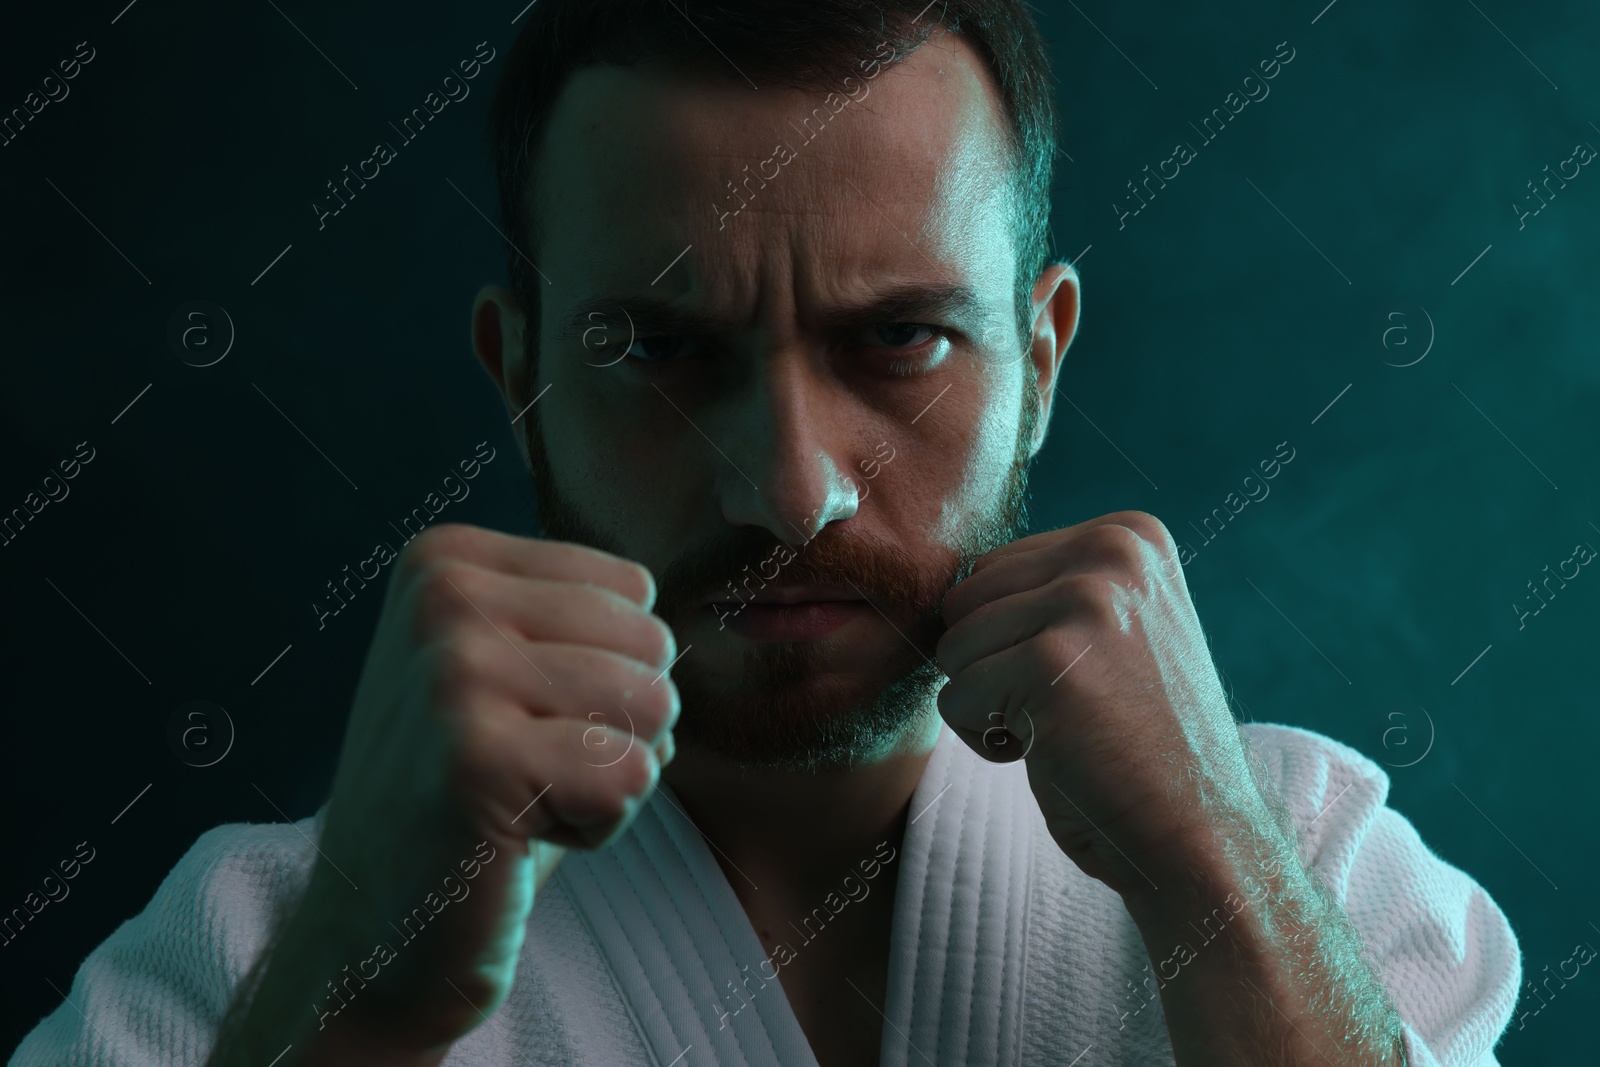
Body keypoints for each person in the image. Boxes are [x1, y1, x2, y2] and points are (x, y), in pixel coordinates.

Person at [9, 2, 1521, 1065]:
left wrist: (1217, 877)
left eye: (902, 342)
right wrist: (356, 1007)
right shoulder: (252, 952)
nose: (788, 494)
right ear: (518, 380)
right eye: (658, 351)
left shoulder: (1305, 861)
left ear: (1042, 363)